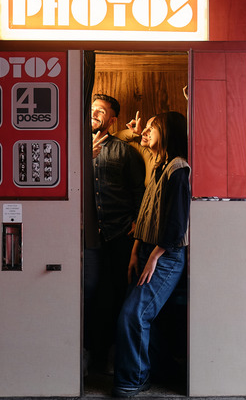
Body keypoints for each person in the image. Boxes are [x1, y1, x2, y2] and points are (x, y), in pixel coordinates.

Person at [112, 111, 191, 398]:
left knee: (132, 316)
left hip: (165, 255)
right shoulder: (158, 164)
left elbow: (177, 223)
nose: (144, 132)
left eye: (151, 128)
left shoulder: (178, 169)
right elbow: (144, 215)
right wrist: (136, 251)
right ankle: (161, 370)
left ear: (168, 132)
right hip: (147, 250)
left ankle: (133, 379)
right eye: (143, 129)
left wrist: (154, 257)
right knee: (146, 317)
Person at [84, 94, 146, 374]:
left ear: (112, 119)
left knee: (118, 295)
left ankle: (112, 355)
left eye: (101, 111)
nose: (95, 113)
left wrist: (135, 223)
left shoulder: (126, 151)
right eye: (92, 109)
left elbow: (139, 192)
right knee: (91, 294)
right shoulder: (74, 148)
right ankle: (90, 354)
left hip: (121, 233)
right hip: (88, 238)